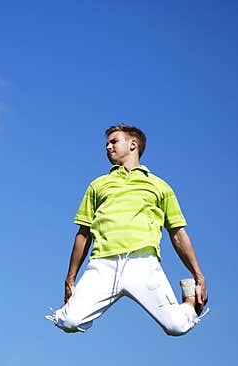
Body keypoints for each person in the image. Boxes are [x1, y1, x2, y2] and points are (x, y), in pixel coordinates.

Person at [46, 124, 209, 336]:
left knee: (176, 327)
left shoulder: (160, 186)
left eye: (114, 141)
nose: (108, 147)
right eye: (106, 143)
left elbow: (178, 234)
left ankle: (188, 303)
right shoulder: (98, 185)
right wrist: (70, 278)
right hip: (102, 264)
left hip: (143, 263)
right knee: (68, 320)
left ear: (133, 144)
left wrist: (198, 277)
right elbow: (83, 234)